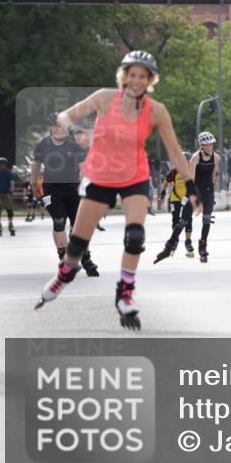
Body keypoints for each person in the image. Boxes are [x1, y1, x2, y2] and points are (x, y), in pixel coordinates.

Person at [34, 50, 201, 330]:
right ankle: (66, 272)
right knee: (77, 244)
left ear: (150, 80)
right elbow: (68, 115)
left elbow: (174, 151)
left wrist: (192, 186)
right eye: (132, 75)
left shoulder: (156, 111)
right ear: (124, 76)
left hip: (134, 176)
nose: (136, 80)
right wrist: (63, 125)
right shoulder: (104, 98)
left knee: (135, 236)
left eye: (143, 76)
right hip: (100, 175)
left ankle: (125, 293)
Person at [31, 112, 99, 275]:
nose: (58, 130)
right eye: (54, 127)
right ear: (50, 128)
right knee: (59, 222)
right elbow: (36, 164)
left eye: (61, 126)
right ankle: (65, 260)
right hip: (51, 190)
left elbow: (83, 168)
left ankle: (86, 258)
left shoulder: (75, 145)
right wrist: (33, 183)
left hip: (73, 191)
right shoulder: (43, 145)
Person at [153, 152, 196, 263]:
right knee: (175, 220)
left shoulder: (192, 171)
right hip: (175, 198)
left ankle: (188, 242)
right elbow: (167, 182)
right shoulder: (175, 171)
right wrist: (163, 193)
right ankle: (175, 240)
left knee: (188, 219)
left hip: (187, 198)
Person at [189, 132, 221, 262]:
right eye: (206, 145)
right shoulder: (195, 158)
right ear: (201, 146)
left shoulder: (216, 157)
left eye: (211, 144)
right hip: (197, 190)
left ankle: (202, 246)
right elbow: (191, 178)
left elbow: (214, 173)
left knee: (207, 219)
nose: (209, 147)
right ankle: (183, 241)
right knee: (185, 219)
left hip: (209, 191)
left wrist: (212, 187)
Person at [73, 126, 105, 232]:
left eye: (80, 137)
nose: (78, 139)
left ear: (85, 137)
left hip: (90, 177)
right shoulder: (72, 150)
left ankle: (96, 222)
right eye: (77, 138)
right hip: (76, 178)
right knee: (78, 201)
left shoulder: (91, 150)